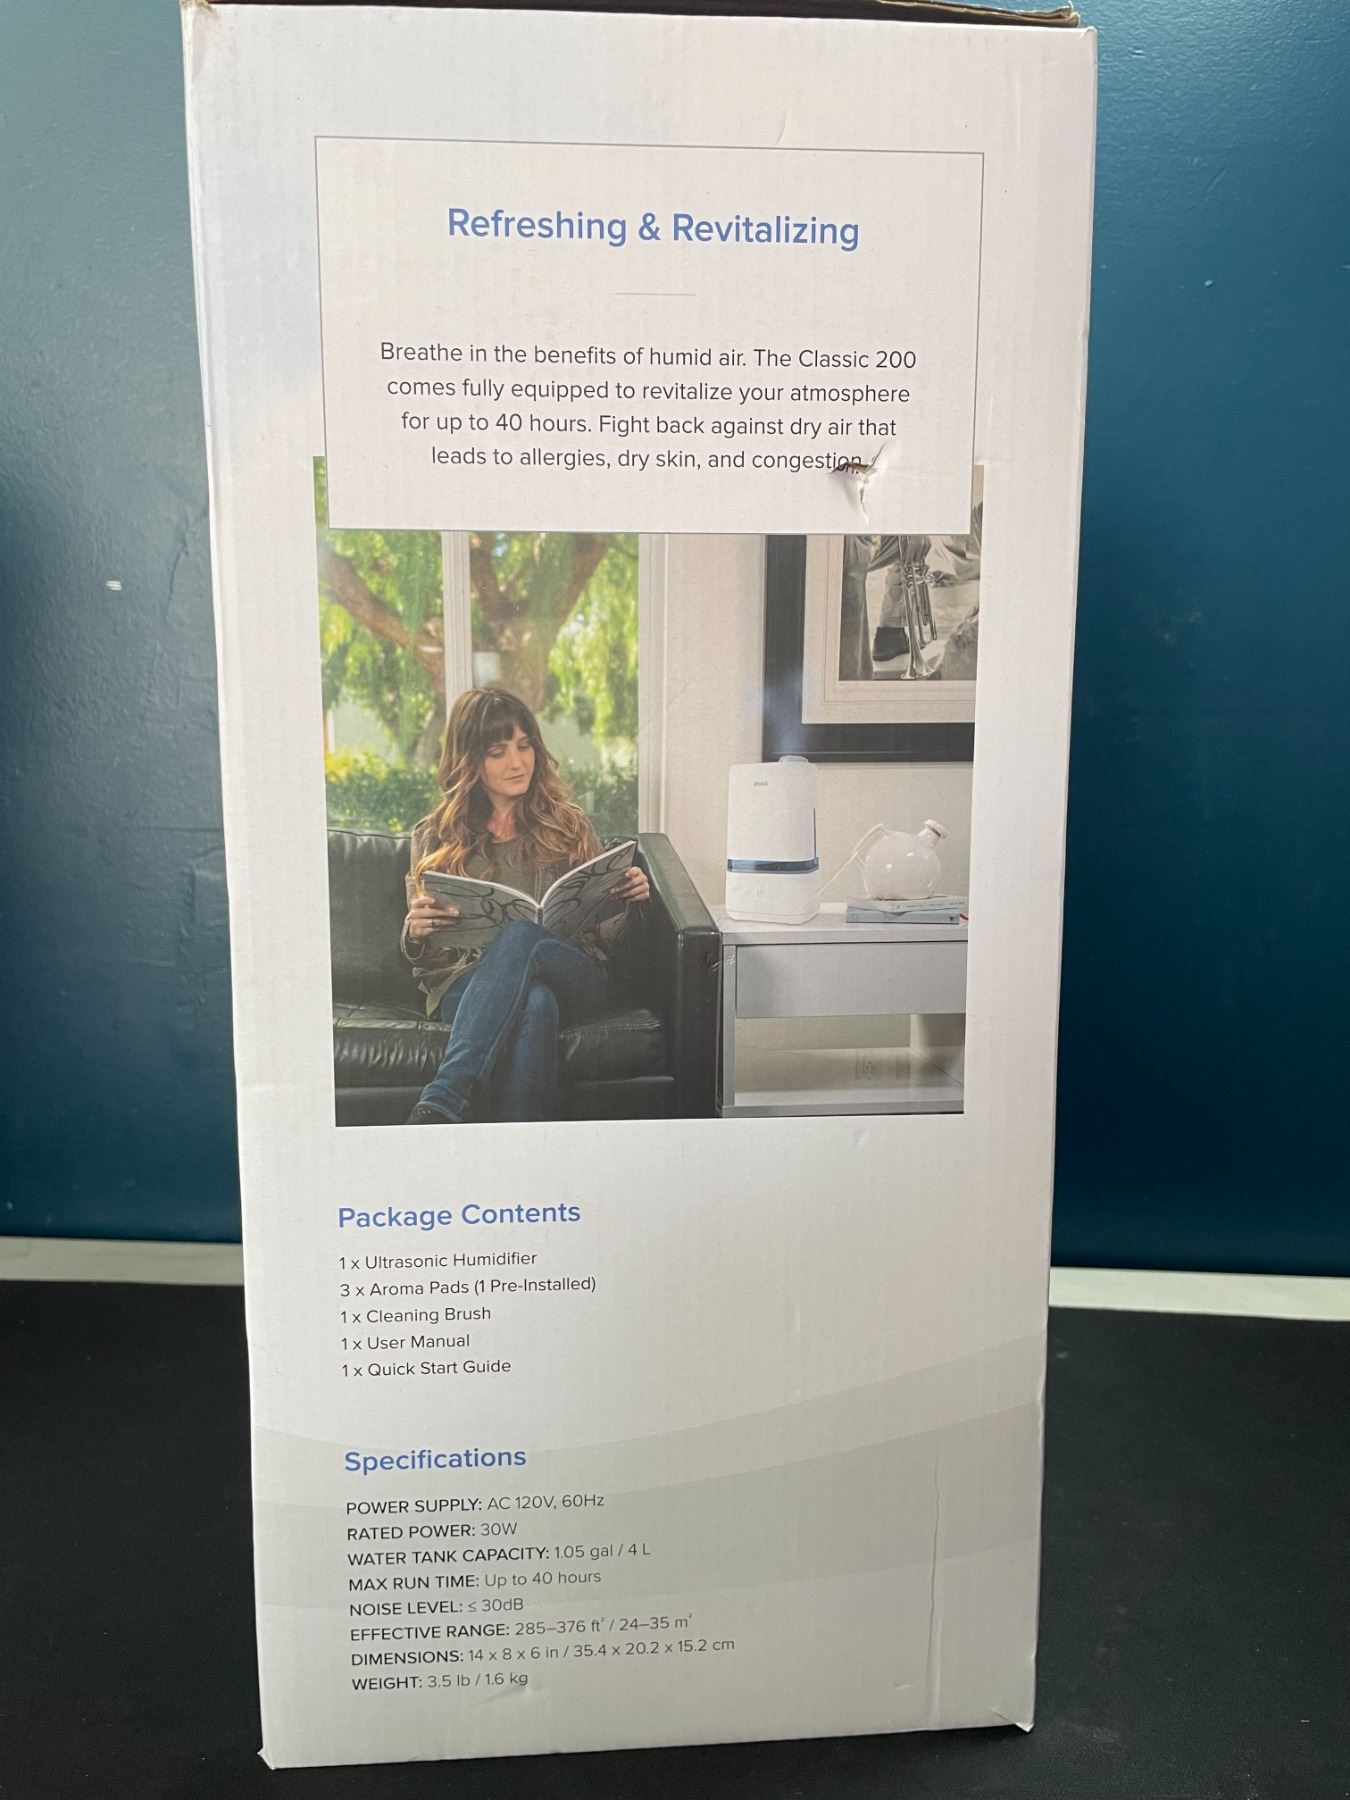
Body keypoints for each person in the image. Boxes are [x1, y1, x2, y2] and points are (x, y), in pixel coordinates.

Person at [401, 687, 649, 1124]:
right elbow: (429, 957)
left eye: (524, 745)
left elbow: (607, 938)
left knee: (520, 935)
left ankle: (441, 1102)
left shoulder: (568, 825)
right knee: (536, 1003)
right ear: (470, 761)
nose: (517, 762)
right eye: (498, 752)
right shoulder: (435, 835)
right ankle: (526, 1150)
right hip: (467, 983)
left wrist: (625, 899)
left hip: (573, 973)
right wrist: (416, 932)